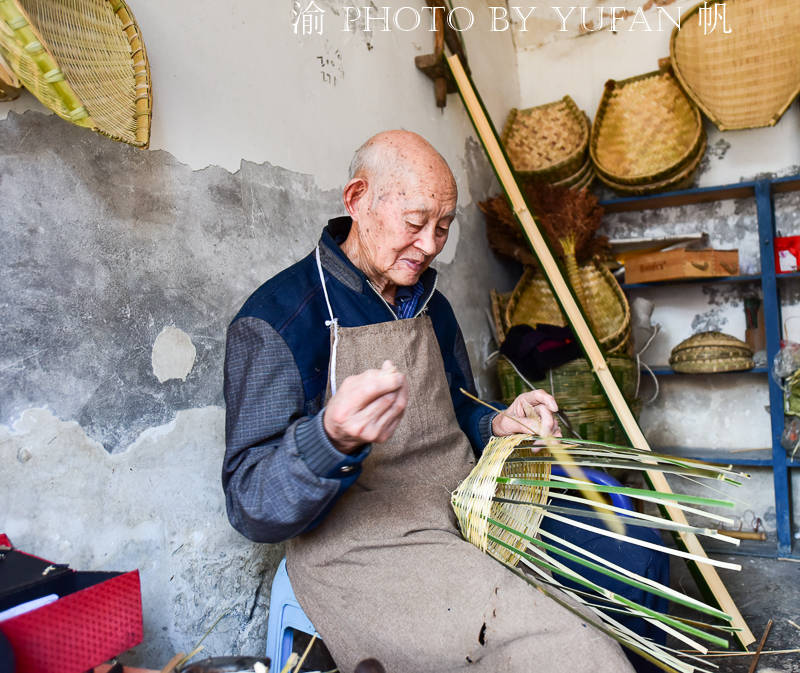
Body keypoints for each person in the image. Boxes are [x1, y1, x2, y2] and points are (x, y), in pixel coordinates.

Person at [222, 130, 652, 673]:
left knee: (632, 553)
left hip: (467, 503)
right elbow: (249, 502)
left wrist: (495, 423)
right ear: (358, 200)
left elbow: (452, 404)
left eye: (443, 226)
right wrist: (327, 440)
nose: (429, 244)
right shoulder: (279, 320)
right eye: (415, 222)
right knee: (571, 653)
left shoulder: (430, 302)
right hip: (363, 542)